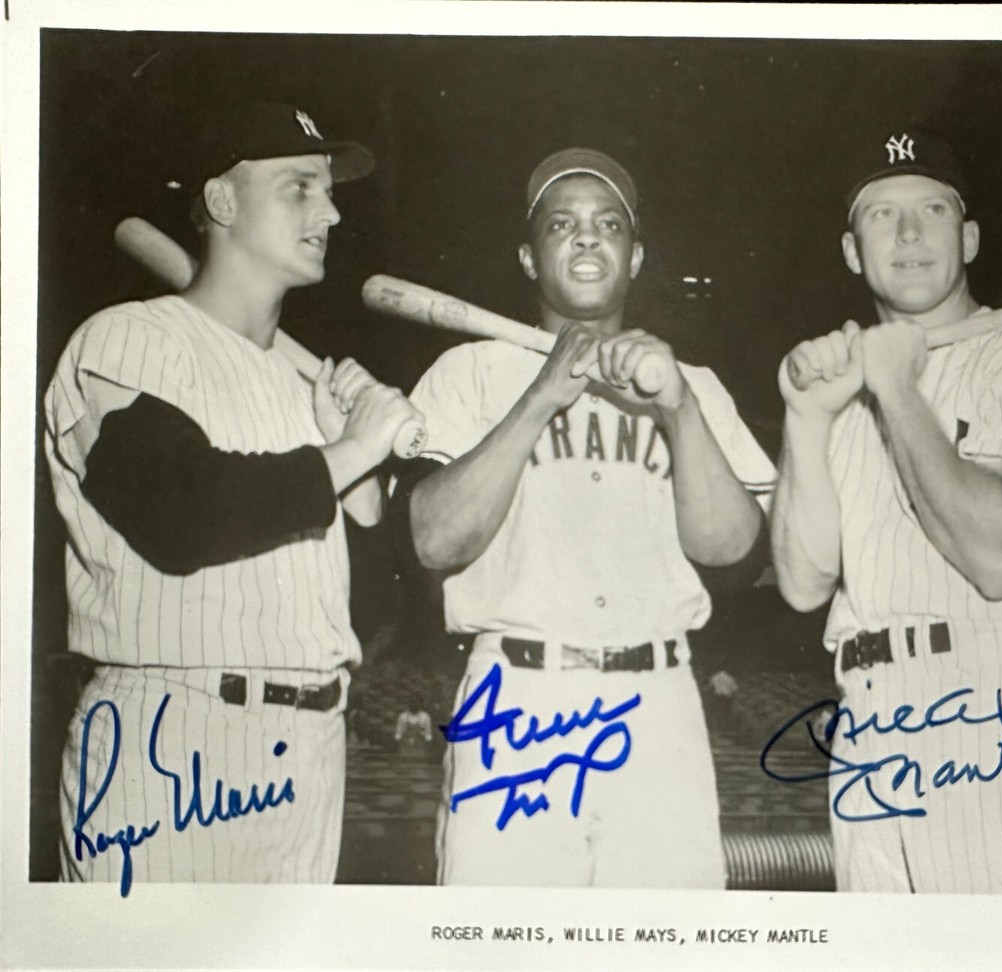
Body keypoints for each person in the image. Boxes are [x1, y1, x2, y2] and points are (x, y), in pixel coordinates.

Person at [44, 102, 415, 893]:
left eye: (329, 191)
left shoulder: (304, 388)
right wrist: (350, 453)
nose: (331, 212)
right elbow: (178, 516)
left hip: (311, 748)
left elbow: (375, 606)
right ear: (220, 202)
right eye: (299, 187)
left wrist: (358, 477)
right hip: (171, 738)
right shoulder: (130, 338)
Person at [395, 148, 776, 887]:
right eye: (561, 224)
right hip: (517, 700)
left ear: (635, 259)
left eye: (608, 224)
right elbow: (432, 542)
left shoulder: (692, 384)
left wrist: (678, 410)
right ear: (528, 258)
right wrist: (541, 395)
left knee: (667, 939)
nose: (587, 237)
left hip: (658, 702)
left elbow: (735, 557)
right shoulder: (470, 372)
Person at [770, 129, 1002, 895]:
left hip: (1000, 702)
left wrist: (898, 388)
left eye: (932, 209)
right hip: (869, 708)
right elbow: (802, 583)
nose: (907, 233)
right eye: (882, 215)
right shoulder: (846, 390)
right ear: (853, 252)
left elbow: (999, 558)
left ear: (968, 239)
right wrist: (806, 415)